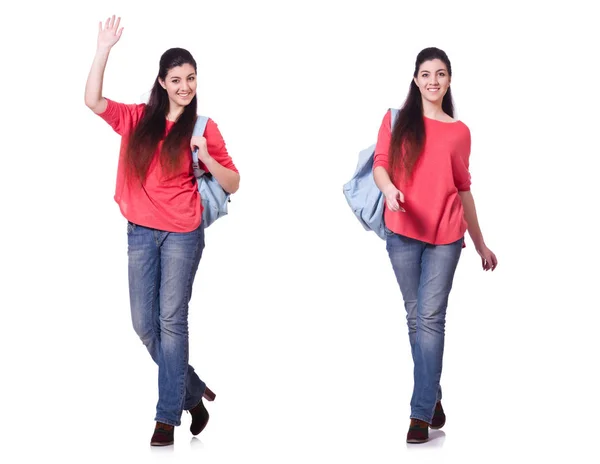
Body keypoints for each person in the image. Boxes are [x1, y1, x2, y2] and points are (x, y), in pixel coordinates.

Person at [84, 16, 240, 446]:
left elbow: (233, 183)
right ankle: (191, 391)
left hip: (183, 235)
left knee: (172, 322)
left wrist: (206, 156)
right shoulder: (137, 119)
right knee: (143, 325)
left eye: (191, 79)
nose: (185, 87)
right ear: (162, 82)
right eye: (177, 79)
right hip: (139, 232)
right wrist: (103, 50)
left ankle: (166, 417)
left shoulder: (204, 128)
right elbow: (93, 100)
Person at [373, 47, 497, 444]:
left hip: (446, 236)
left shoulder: (459, 132)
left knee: (429, 319)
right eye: (425, 74)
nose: (432, 81)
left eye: (440, 74)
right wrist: (390, 189)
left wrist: (480, 244)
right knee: (415, 319)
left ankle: (418, 413)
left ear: (449, 80)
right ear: (415, 79)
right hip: (402, 232)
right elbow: (379, 164)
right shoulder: (396, 121)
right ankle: (433, 396)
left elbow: (463, 190)